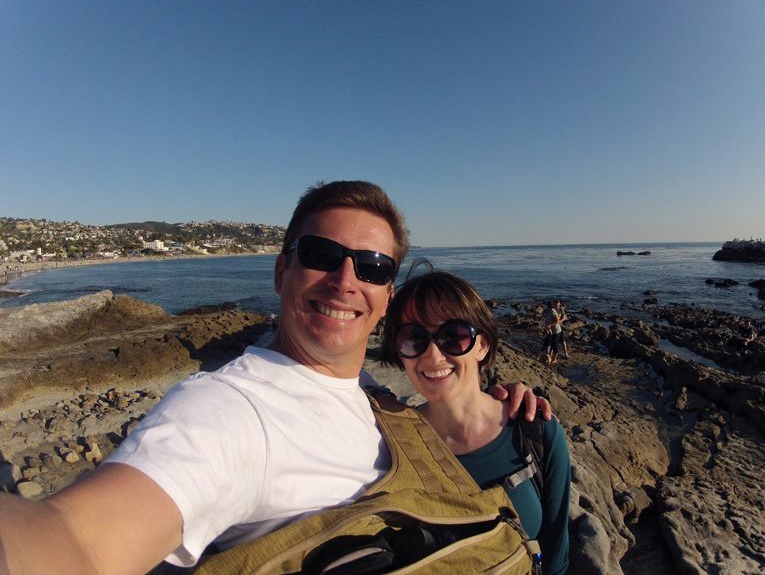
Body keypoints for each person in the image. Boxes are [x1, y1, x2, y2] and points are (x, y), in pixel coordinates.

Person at [0, 181, 550, 574]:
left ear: (385, 300)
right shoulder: (231, 410)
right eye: (320, 254)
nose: (344, 280)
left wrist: (498, 404)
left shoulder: (380, 404)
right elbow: (78, 542)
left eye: (373, 267)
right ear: (281, 270)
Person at [380, 269, 571, 575]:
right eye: (414, 337)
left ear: (482, 345)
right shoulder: (390, 444)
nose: (432, 355)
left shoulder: (535, 431)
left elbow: (555, 559)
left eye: (453, 336)